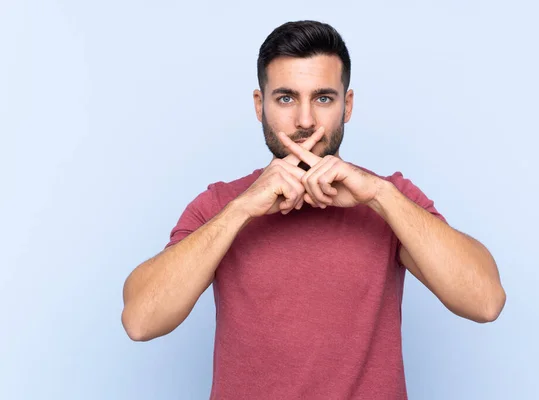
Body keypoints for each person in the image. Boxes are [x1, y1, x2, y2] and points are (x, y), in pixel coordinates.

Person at [121, 20, 506, 399]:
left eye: (323, 98)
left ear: (347, 105)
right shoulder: (221, 204)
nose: (305, 121)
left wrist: (379, 196)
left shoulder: (389, 199)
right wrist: (240, 211)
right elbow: (140, 321)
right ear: (260, 105)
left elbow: (484, 302)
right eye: (286, 98)